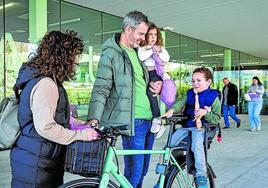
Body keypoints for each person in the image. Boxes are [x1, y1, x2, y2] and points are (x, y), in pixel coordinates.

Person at [10, 30, 99, 188]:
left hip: (35, 157)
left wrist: (80, 124)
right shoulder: (46, 84)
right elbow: (45, 126)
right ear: (62, 57)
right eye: (73, 57)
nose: (75, 63)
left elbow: (55, 116)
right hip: (38, 163)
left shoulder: (43, 80)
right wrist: (79, 135)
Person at [87, 11, 162, 188]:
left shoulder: (139, 53)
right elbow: (101, 88)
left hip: (149, 119)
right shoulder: (111, 54)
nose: (143, 38)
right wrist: (93, 118)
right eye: (141, 34)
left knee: (143, 171)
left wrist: (157, 85)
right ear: (128, 29)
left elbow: (147, 79)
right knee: (133, 175)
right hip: (132, 121)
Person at [163, 67, 221, 188]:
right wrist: (172, 110)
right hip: (188, 126)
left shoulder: (213, 97)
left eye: (199, 80)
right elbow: (180, 102)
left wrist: (206, 113)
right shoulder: (190, 93)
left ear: (208, 82)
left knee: (196, 145)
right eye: (193, 81)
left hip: (203, 128)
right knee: (170, 143)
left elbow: (216, 118)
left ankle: (201, 175)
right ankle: (164, 168)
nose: (195, 83)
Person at [138, 23, 170, 134]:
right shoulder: (143, 48)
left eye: (155, 35)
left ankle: (157, 119)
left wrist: (158, 51)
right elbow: (141, 57)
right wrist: (152, 50)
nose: (153, 37)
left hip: (155, 74)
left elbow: (166, 58)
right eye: (150, 34)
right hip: (145, 75)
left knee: (151, 93)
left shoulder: (160, 48)